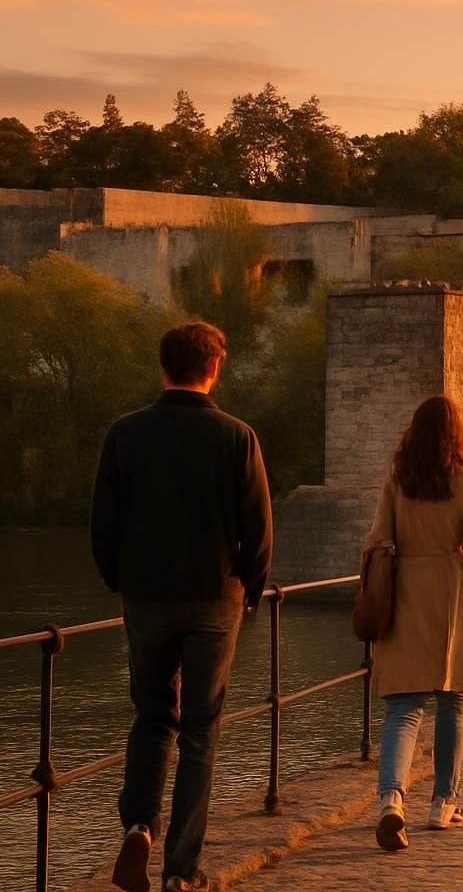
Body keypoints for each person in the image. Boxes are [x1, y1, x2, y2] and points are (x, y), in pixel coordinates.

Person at [91, 321, 273, 892]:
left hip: (146, 598)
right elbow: (259, 530)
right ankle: (179, 870)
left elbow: (103, 523)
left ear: (162, 365)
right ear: (214, 369)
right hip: (214, 599)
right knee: (200, 730)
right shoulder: (237, 437)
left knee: (151, 716)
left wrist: (118, 579)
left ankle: (139, 826)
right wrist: (250, 586)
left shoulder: (125, 434)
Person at [368, 395, 463, 851]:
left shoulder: (396, 480)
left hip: (406, 591)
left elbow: (376, 540)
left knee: (403, 706)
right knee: (453, 701)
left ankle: (391, 799)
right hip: (452, 590)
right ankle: (442, 803)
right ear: (457, 434)